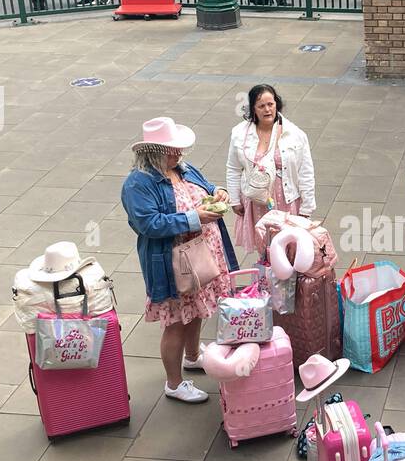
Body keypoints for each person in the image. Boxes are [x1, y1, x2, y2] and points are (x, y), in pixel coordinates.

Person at [121, 117, 238, 404]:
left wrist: (217, 192)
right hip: (173, 265)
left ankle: (193, 355)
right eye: (172, 150)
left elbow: (207, 188)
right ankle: (174, 383)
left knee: (196, 310)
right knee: (175, 322)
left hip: (200, 256)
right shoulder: (138, 184)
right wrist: (194, 218)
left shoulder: (182, 168)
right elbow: (148, 224)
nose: (179, 154)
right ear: (153, 152)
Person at [225, 83, 316, 252]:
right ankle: (265, 278)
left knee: (289, 251)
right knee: (265, 250)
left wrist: (307, 208)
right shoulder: (239, 134)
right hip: (257, 202)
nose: (267, 110)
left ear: (277, 104)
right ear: (253, 109)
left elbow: (306, 172)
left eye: (270, 104)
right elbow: (233, 168)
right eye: (261, 106)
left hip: (287, 201)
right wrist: (235, 199)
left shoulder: (295, 134)